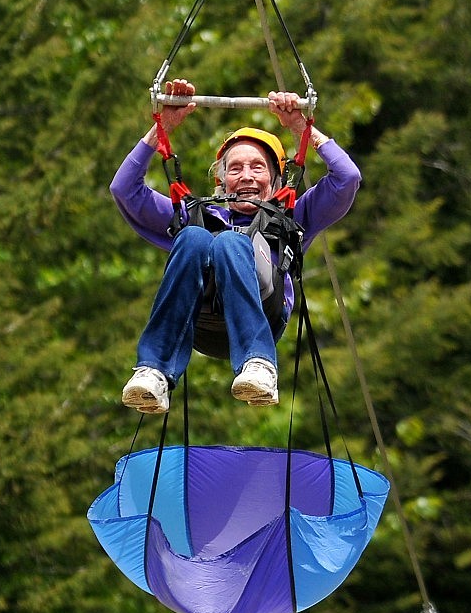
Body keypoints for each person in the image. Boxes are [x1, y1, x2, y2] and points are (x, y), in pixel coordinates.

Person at [110, 78, 361, 414]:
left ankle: (259, 364)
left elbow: (347, 177)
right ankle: (155, 369)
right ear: (221, 180)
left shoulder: (292, 216)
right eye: (235, 169)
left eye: (257, 168)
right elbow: (124, 189)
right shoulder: (196, 217)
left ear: (275, 181)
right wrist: (162, 128)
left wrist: (302, 128)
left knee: (230, 242)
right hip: (203, 323)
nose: (245, 176)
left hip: (263, 313)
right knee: (196, 237)